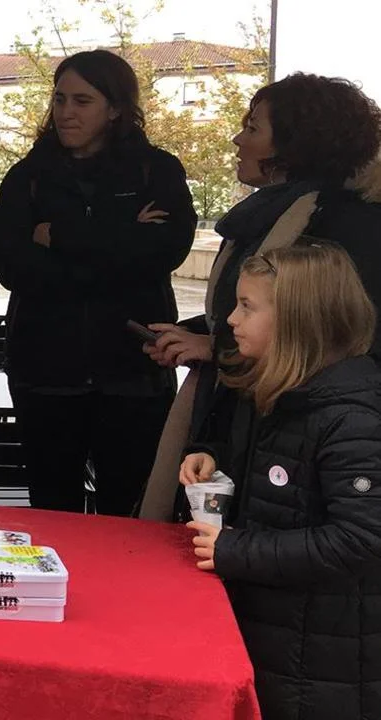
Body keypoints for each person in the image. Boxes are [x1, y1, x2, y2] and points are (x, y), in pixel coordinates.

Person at [140, 73, 381, 521]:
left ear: (294, 143)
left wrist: (216, 346)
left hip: (288, 435)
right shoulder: (272, 214)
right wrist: (194, 334)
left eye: (252, 128)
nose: (238, 140)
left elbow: (336, 333)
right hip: (239, 418)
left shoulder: (348, 227)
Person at [0, 49, 196, 515]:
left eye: (82, 101)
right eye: (59, 99)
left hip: (133, 372)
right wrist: (121, 239)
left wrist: (58, 237)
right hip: (45, 371)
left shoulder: (156, 170)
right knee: (53, 511)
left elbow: (164, 250)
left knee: (130, 513)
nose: (66, 112)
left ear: (116, 108)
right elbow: (12, 267)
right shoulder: (27, 177)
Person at [180, 244, 381, 720]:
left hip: (323, 664)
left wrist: (236, 550)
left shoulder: (350, 419)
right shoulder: (280, 393)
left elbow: (362, 538)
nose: (232, 320)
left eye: (247, 306)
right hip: (282, 638)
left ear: (297, 319)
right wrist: (215, 458)